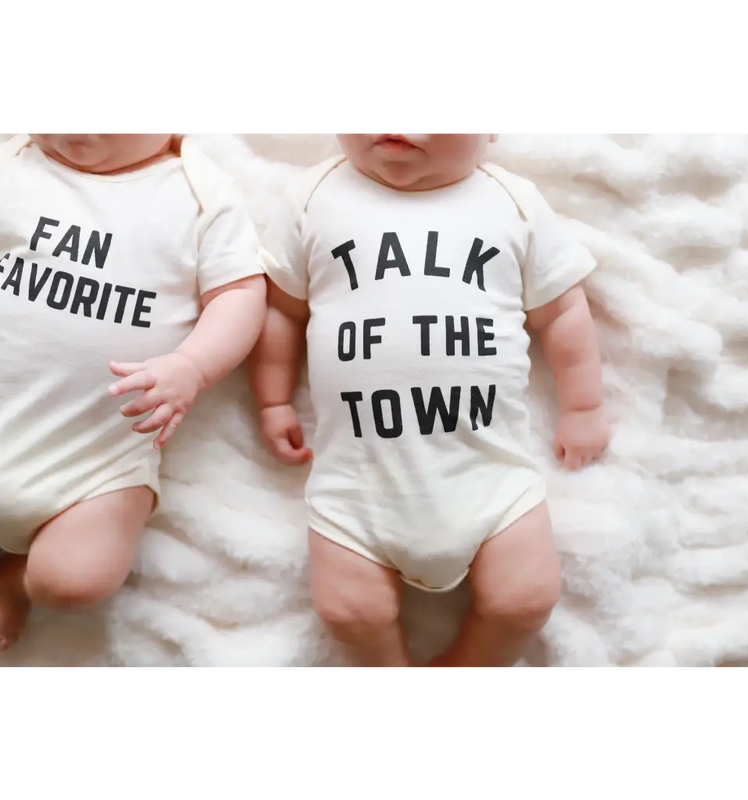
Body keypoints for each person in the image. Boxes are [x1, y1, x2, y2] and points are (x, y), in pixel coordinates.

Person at [253, 131, 610, 669]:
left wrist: (583, 407)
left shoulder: (512, 203)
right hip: (357, 487)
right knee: (350, 613)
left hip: (490, 477)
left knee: (525, 600)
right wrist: (273, 400)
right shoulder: (313, 198)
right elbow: (282, 310)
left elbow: (562, 312)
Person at [0, 131, 267, 652]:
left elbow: (239, 292)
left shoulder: (200, 193)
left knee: (77, 579)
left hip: (91, 468)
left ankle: (16, 580)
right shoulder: (12, 164)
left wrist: (192, 366)